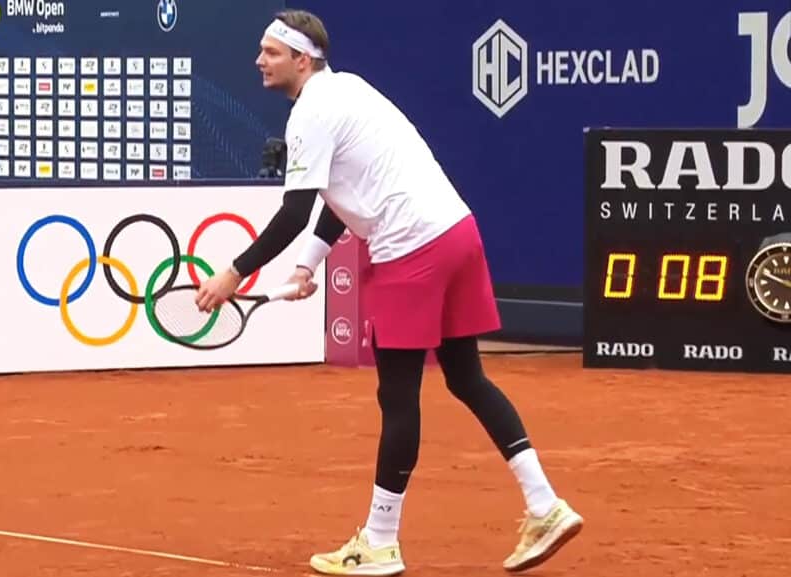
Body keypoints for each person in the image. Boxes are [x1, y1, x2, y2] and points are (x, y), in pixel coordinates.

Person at [195, 9, 583, 576]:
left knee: (398, 398)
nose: (259, 60)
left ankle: (379, 541)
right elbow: (342, 197)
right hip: (458, 233)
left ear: (302, 59)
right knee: (467, 378)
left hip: (412, 251)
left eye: (271, 52)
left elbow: (295, 212)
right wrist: (307, 266)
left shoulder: (310, 114)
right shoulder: (350, 90)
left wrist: (233, 272)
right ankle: (545, 504)